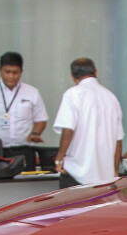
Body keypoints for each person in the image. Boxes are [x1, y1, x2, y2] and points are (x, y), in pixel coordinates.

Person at [53, 58, 123, 189]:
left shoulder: (73, 94)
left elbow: (68, 129)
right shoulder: (111, 98)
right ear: (95, 72)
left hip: (76, 174)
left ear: (72, 77)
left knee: (72, 209)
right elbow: (118, 140)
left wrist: (59, 159)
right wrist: (115, 170)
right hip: (105, 178)